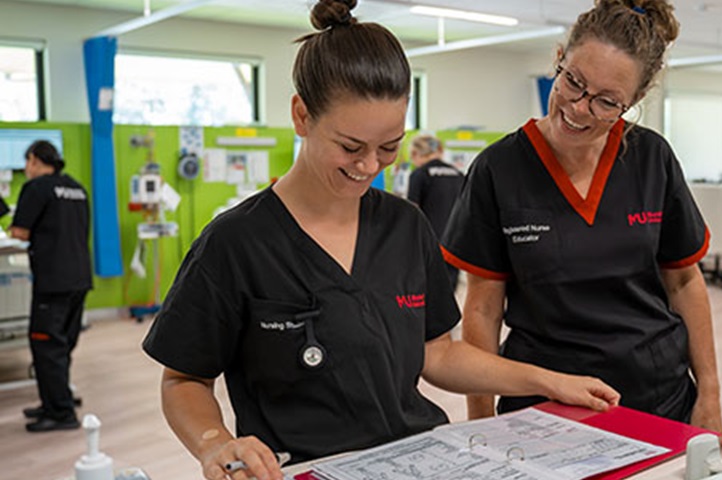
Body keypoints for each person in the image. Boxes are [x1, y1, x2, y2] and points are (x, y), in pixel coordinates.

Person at [141, 2, 619, 479]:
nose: (370, 166)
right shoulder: (235, 243)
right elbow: (184, 378)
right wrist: (214, 444)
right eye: (350, 147)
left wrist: (551, 381)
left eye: (389, 147)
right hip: (308, 468)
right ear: (301, 116)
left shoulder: (405, 226)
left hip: (422, 459)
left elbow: (439, 353)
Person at [442, 0, 722, 443]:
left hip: (657, 397)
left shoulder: (652, 158)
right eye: (573, 82)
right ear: (559, 58)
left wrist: (710, 394)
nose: (579, 108)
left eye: (607, 102)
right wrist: (483, 421)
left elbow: (685, 283)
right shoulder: (499, 168)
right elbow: (482, 305)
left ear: (634, 101)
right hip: (542, 408)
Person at [8, 140, 92, 432]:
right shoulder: (77, 189)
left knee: (46, 345)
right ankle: (56, 399)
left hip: (53, 280)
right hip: (79, 278)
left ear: (33, 160)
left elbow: (19, 232)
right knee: (62, 344)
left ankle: (61, 413)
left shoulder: (37, 188)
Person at [406, 133, 465, 291]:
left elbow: (412, 211)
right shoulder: (459, 175)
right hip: (455, 242)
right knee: (448, 291)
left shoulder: (419, 175)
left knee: (427, 292)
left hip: (428, 242)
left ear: (414, 154)